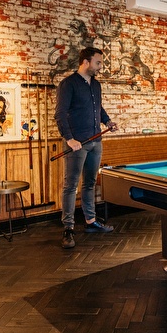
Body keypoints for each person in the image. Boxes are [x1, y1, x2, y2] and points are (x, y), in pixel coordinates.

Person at [54, 46, 118, 249]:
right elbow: (60, 114)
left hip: (95, 142)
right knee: (70, 186)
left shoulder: (96, 85)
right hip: (77, 144)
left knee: (90, 183)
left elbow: (98, 108)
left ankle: (90, 221)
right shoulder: (68, 84)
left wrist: (107, 122)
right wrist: (69, 138)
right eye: (98, 63)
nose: (100, 67)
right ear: (86, 62)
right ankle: (68, 228)